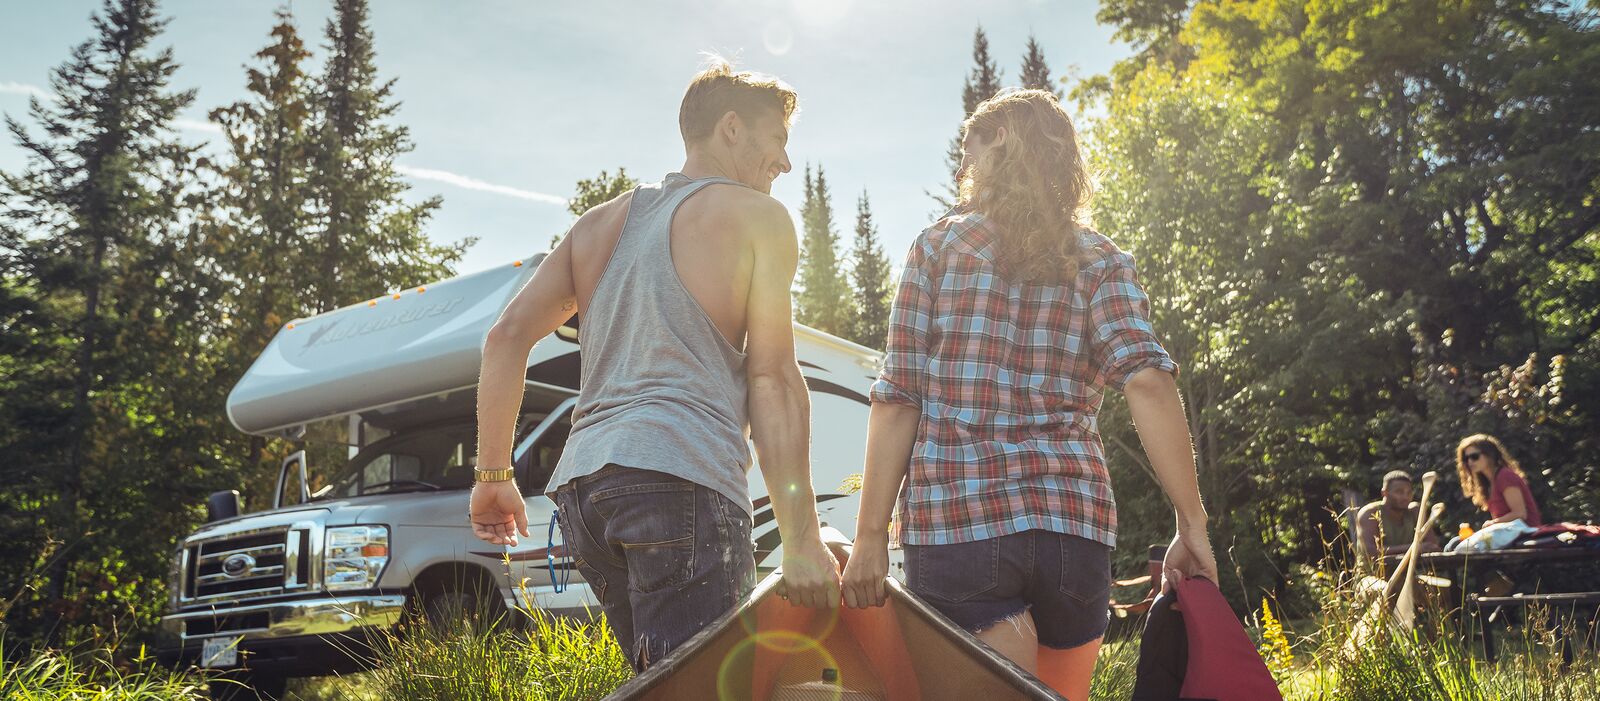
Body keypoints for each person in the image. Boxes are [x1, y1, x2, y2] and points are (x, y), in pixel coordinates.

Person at [838, 88, 1217, 701]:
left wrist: (869, 537)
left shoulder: (937, 249)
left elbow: (898, 396)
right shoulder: (1101, 259)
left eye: (972, 148)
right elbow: (1147, 378)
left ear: (1001, 145)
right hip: (1073, 530)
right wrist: (1190, 521)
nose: (965, 165)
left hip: (959, 524)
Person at [468, 58, 839, 672]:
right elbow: (772, 378)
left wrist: (491, 476)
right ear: (730, 129)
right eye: (778, 140)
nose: (785, 162)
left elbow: (505, 338)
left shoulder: (596, 226)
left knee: (657, 680)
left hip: (587, 493)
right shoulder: (758, 218)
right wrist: (801, 540)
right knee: (699, 685)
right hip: (680, 478)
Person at [1456, 433, 1543, 529]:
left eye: (1474, 456)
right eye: (1466, 458)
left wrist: (1492, 523)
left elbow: (1520, 514)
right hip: (1509, 535)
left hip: (1526, 535)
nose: (1469, 462)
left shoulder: (1505, 476)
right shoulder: (1487, 483)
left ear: (1489, 454)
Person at [1354, 470, 1439, 561]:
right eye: (1399, 492)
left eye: (1409, 492)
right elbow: (1370, 551)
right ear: (1384, 493)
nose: (1405, 497)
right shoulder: (1370, 513)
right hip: (1376, 573)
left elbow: (1432, 546)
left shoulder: (1415, 511)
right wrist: (1414, 548)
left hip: (1412, 571)